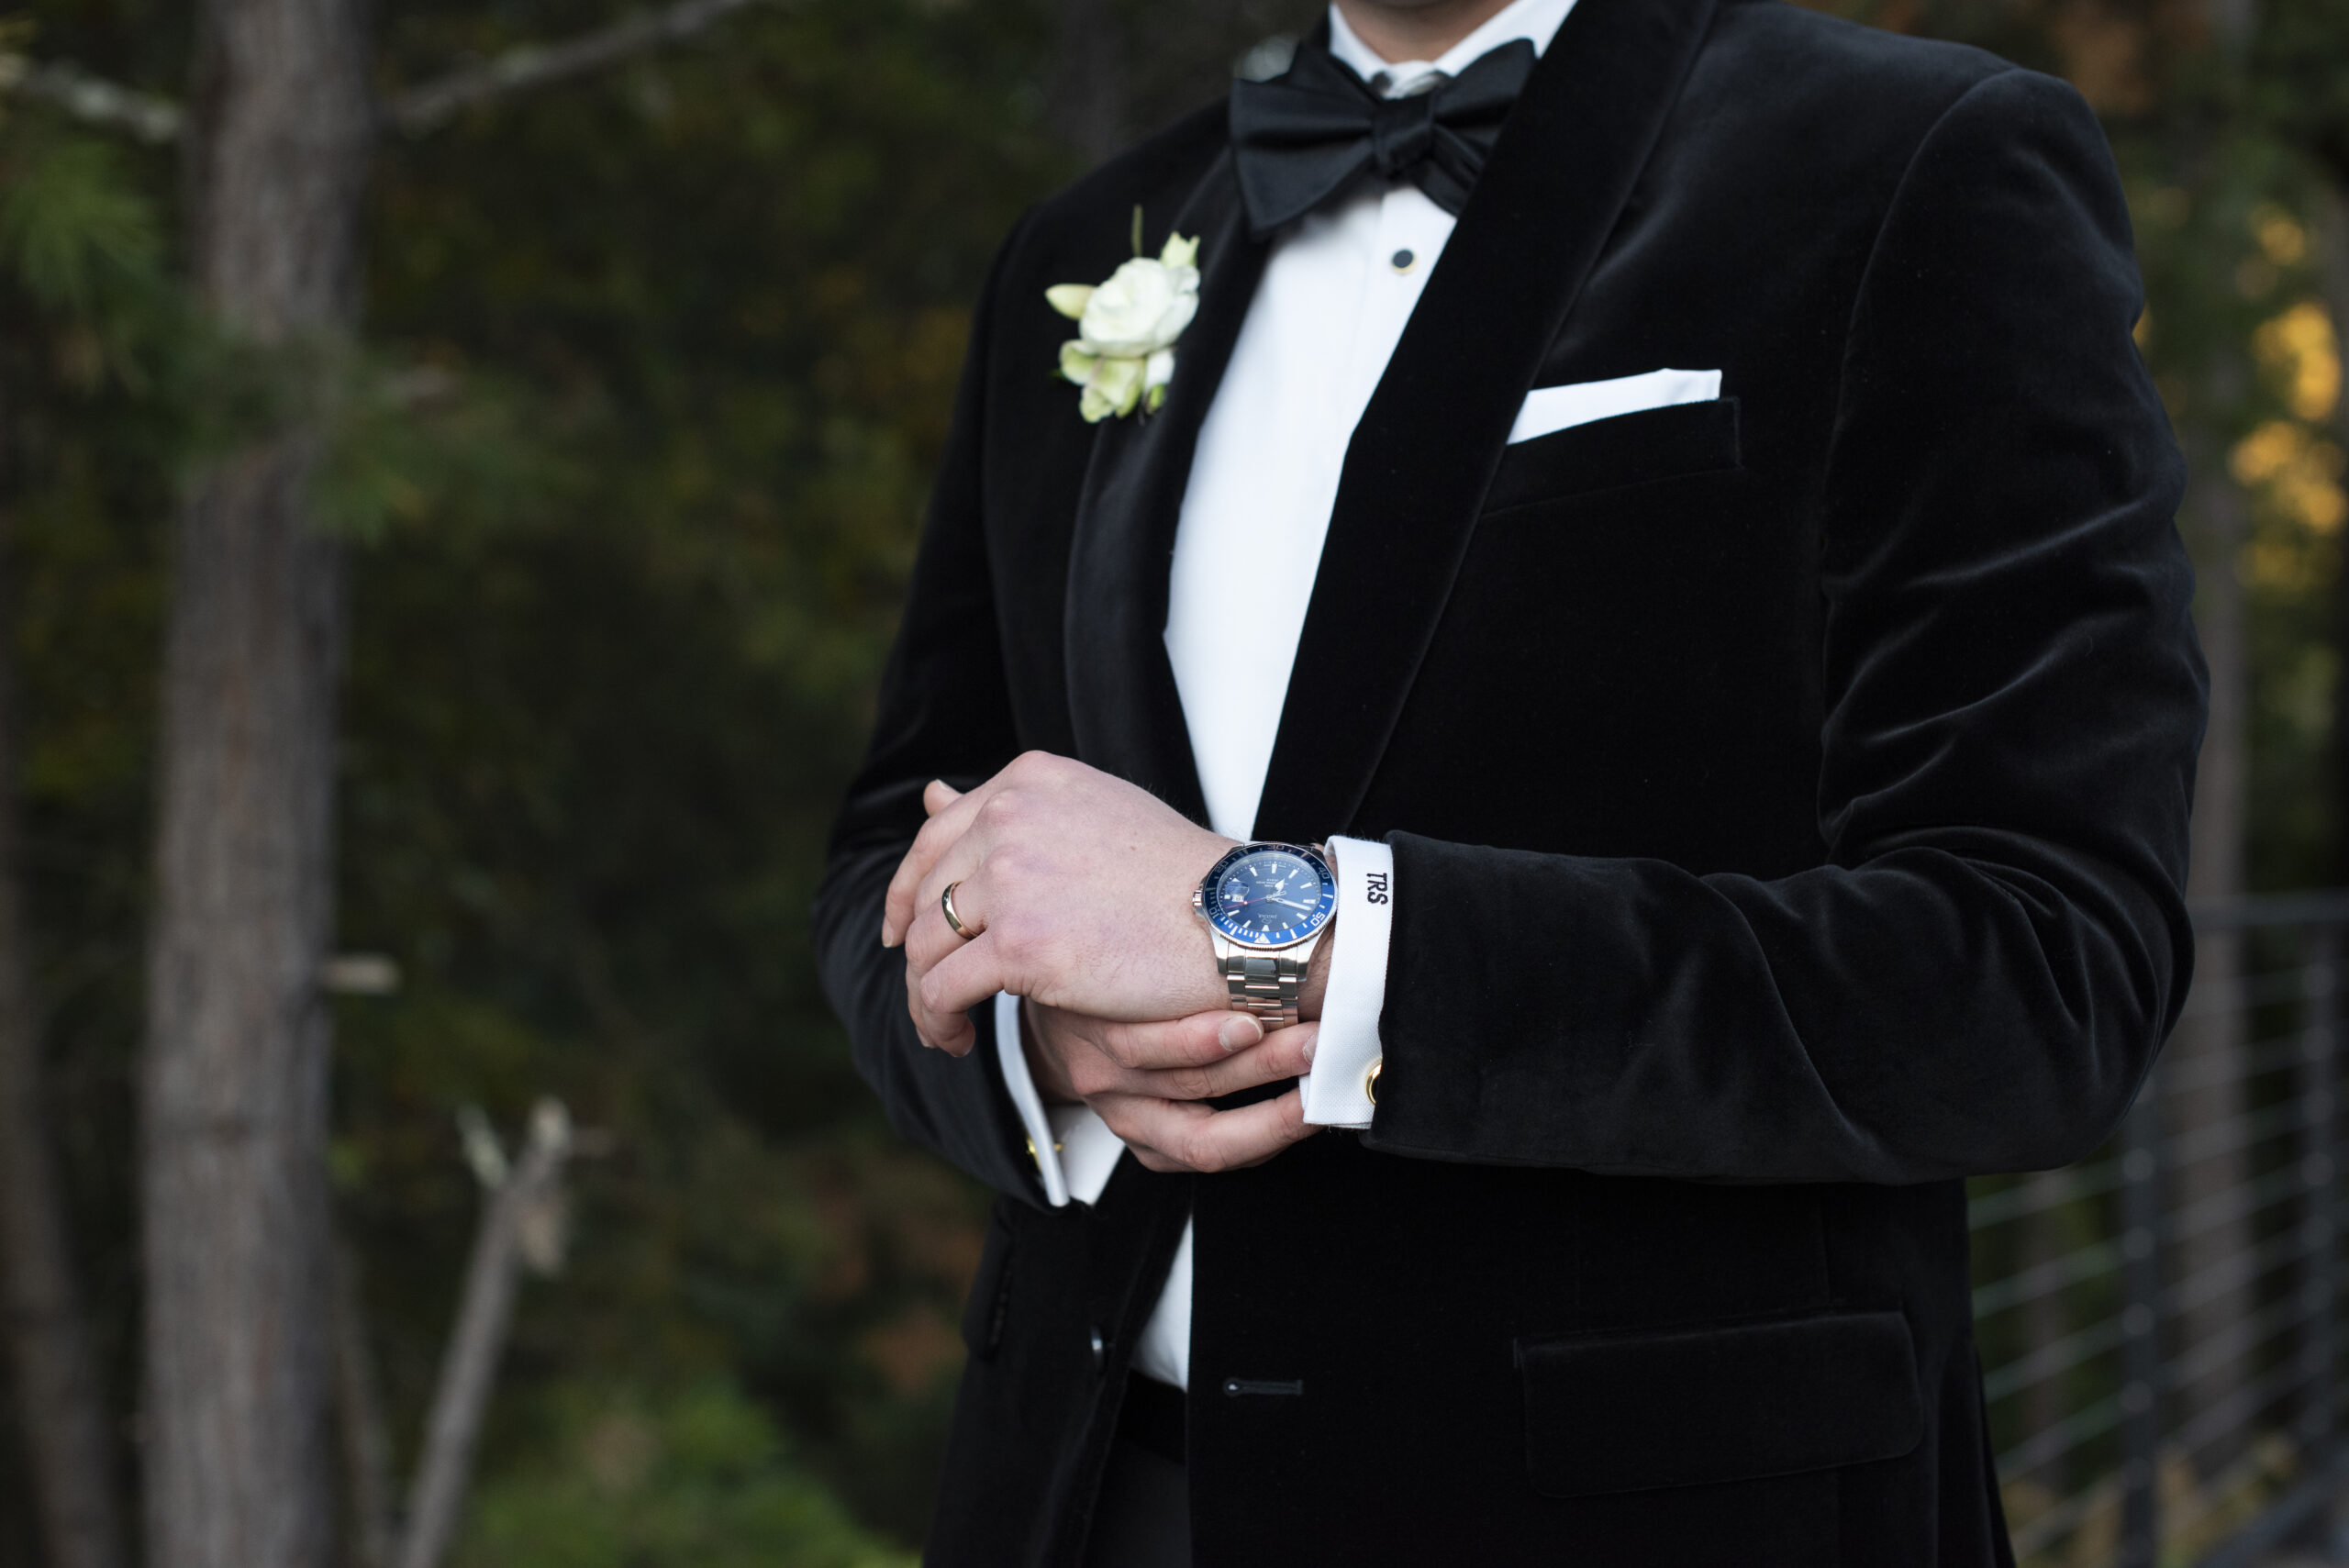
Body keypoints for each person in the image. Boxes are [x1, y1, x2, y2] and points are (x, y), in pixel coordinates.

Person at [814, 0, 2208, 1557]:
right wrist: (1030, 1032)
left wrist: (1293, 941)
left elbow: (2040, 971)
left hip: (1647, 1509)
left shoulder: (1920, 165)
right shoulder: (1085, 242)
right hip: (1080, 1493)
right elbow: (901, 841)